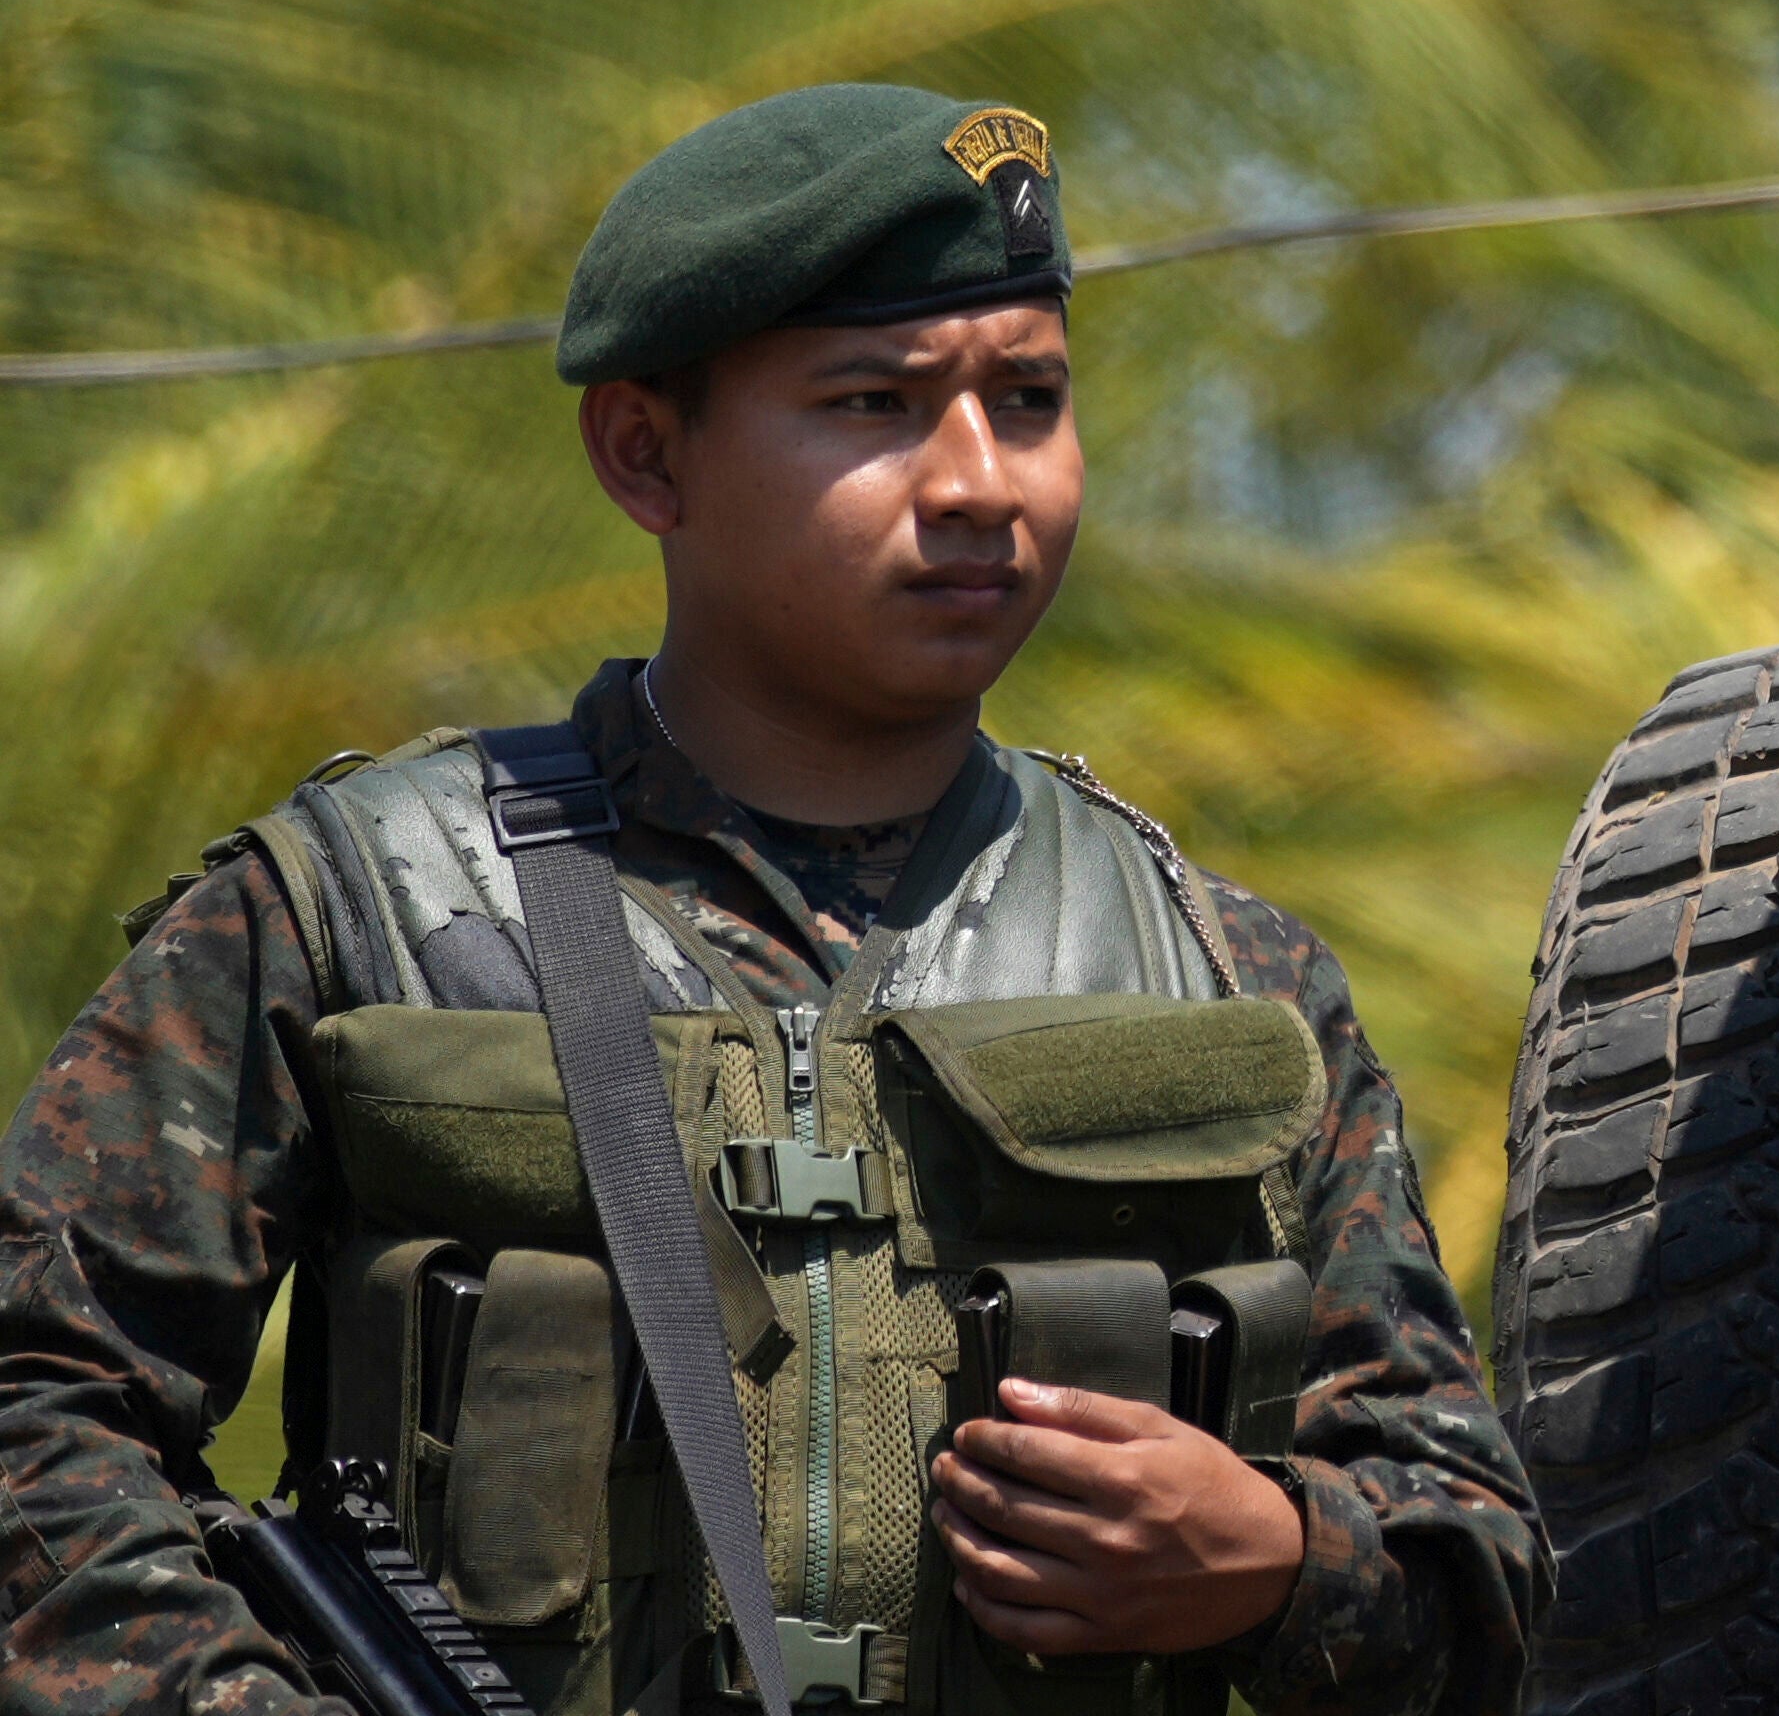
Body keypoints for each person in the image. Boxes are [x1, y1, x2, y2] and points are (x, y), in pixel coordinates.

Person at [0, 87, 1541, 1716]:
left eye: (1028, 399)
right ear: (646, 453)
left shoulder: (1220, 971)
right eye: (876, 401)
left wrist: (1279, 1564)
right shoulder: (360, 911)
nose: (979, 481)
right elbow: (40, 1404)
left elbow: (1480, 1569)